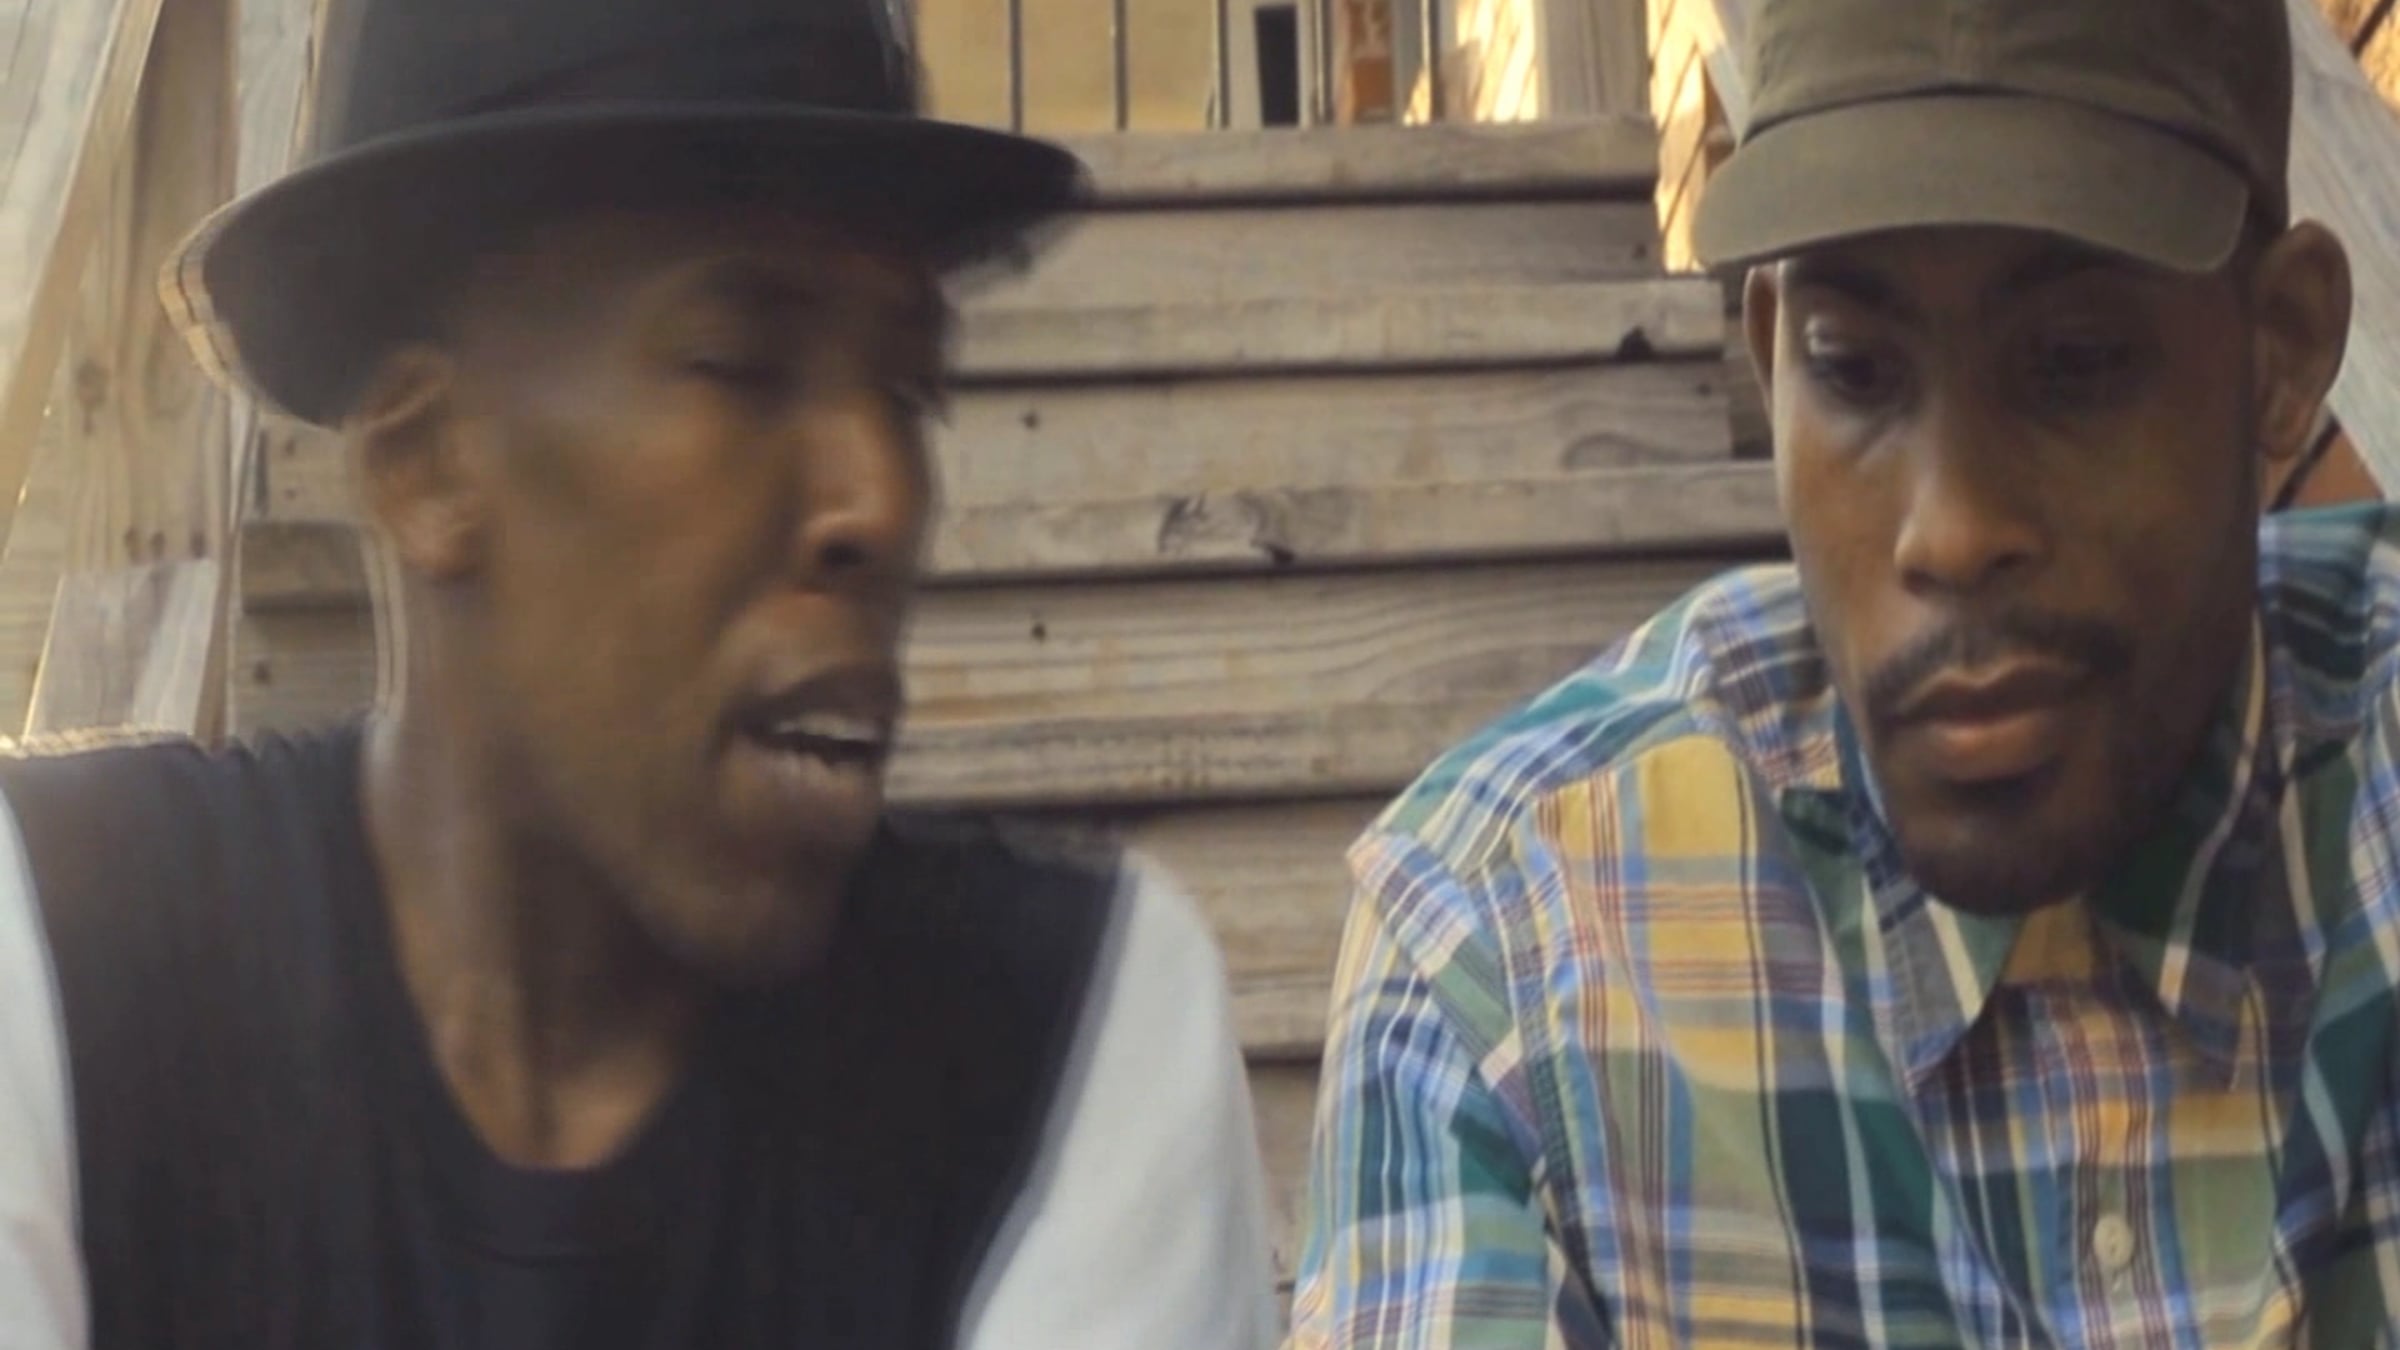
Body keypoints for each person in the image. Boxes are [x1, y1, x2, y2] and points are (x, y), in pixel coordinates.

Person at [0, 0, 1280, 1346]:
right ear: (426, 462)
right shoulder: (68, 973)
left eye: (910, 392)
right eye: (740, 364)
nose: (880, 497)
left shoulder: (1067, 1041)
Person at [1288, 0, 2400, 1343]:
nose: (1952, 528)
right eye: (1856, 371)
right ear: (1770, 360)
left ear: (2283, 348)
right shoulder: (1507, 958)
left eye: (2074, 366)